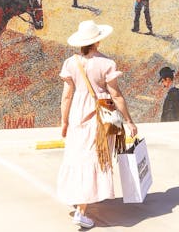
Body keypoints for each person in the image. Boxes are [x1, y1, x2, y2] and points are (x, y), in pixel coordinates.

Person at [57, 20, 138, 229]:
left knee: (78, 155)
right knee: (93, 157)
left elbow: (66, 97)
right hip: (100, 117)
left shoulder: (71, 62)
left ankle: (78, 197)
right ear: (98, 41)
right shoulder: (107, 64)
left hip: (77, 114)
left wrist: (64, 121)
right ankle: (82, 211)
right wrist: (128, 121)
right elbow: (116, 95)